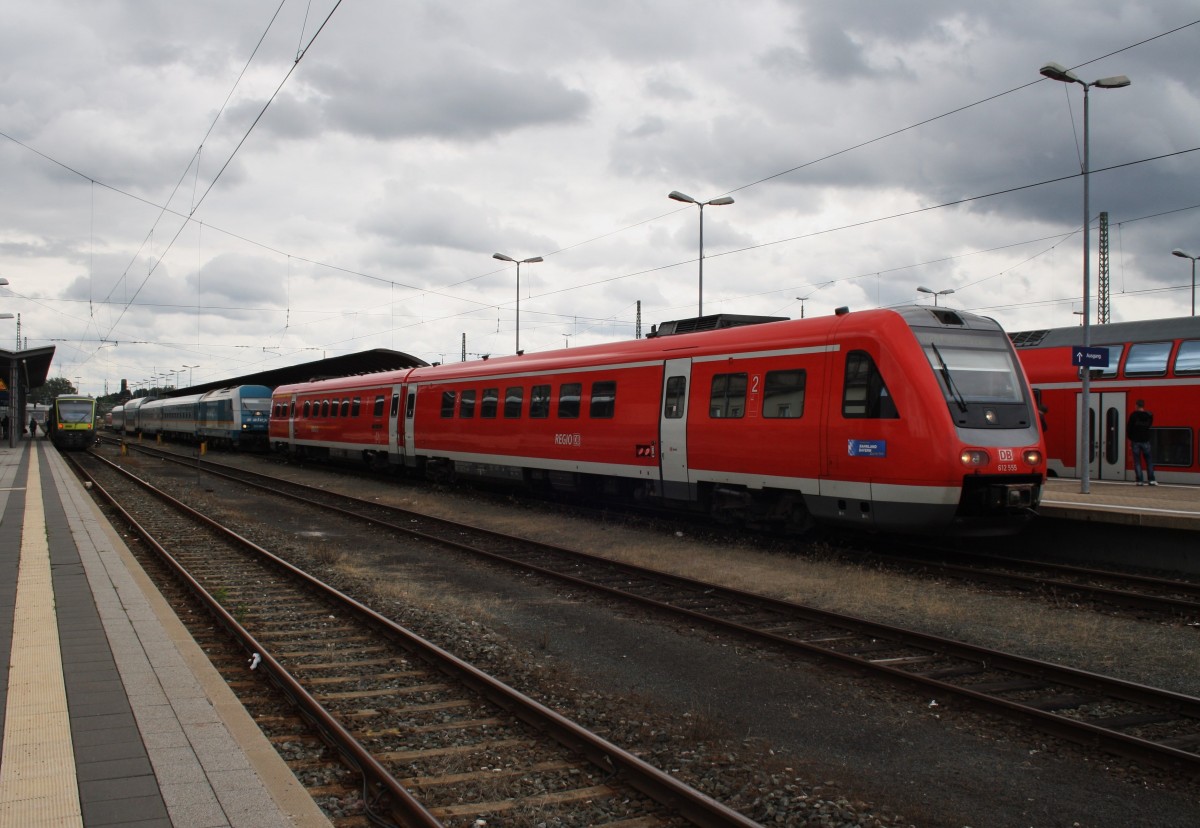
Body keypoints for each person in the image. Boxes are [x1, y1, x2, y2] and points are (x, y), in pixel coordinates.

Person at [1127, 399, 1156, 486]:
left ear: (1136, 405)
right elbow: (1149, 425)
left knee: (1137, 461)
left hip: (1136, 441)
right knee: (1149, 461)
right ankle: (1151, 480)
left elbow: (1129, 428)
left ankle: (1139, 480)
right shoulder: (1149, 415)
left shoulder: (1133, 415)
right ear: (1143, 406)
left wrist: (1131, 438)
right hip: (1145, 440)